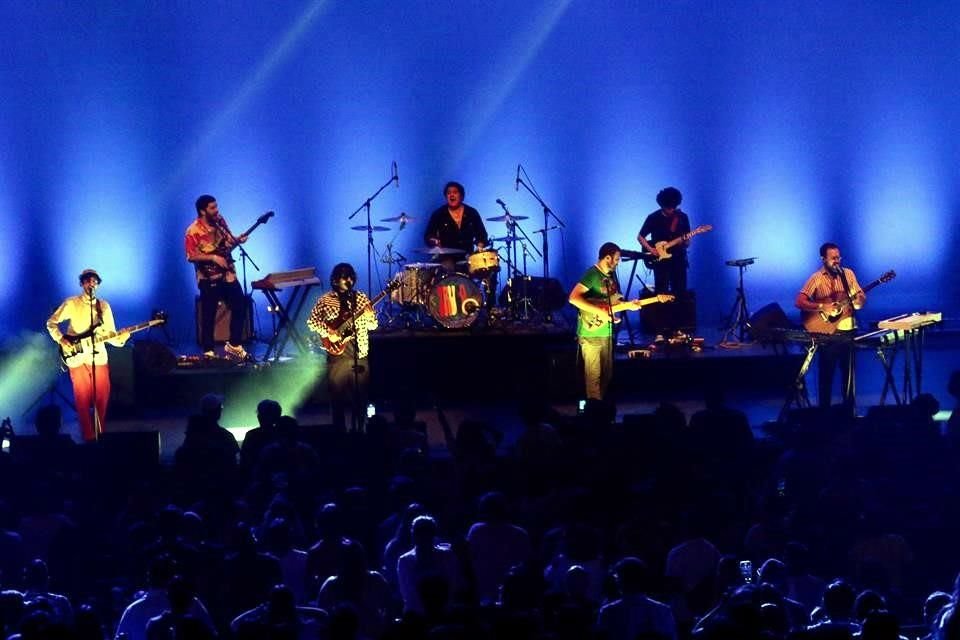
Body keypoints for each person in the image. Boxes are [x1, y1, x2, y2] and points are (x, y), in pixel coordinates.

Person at [46, 268, 129, 442]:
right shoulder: (71, 303)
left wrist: (121, 339)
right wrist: (62, 340)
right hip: (76, 356)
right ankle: (88, 436)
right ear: (82, 283)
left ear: (97, 284)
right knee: (82, 397)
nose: (91, 283)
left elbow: (111, 335)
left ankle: (100, 433)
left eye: (94, 281)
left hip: (98, 356)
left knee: (103, 394)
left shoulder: (103, 306)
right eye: (87, 280)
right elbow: (51, 323)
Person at [307, 263, 379, 432]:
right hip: (336, 356)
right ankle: (339, 431)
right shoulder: (325, 300)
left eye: (351, 276)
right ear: (335, 280)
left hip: (359, 353)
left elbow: (373, 326)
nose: (349, 280)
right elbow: (312, 321)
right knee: (337, 398)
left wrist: (369, 317)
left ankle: (361, 430)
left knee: (361, 397)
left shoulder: (361, 298)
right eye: (344, 276)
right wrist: (329, 332)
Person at [795, 242, 866, 410]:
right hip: (827, 334)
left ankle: (849, 412)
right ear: (823, 259)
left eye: (838, 257)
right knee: (826, 375)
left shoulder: (848, 274)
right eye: (833, 258)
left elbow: (860, 299)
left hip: (848, 332)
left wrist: (859, 301)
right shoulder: (816, 278)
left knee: (849, 376)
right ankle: (824, 413)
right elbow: (799, 301)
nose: (837, 261)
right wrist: (822, 306)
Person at [185, 194, 250, 360]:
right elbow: (191, 256)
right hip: (208, 278)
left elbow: (227, 245)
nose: (216, 210)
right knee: (209, 313)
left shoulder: (220, 221)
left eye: (216, 207)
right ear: (202, 211)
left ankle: (234, 344)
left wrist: (238, 241)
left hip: (228, 273)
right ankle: (208, 350)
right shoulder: (193, 231)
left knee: (240, 305)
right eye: (212, 208)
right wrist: (213, 258)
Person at [423, 181, 496, 308]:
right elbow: (427, 236)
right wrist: (434, 241)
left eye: (455, 192)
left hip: (468, 256)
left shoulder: (472, 213)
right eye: (448, 193)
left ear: (461, 196)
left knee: (490, 271)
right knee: (448, 271)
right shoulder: (438, 214)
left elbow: (482, 235)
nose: (451, 195)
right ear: (446, 196)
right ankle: (452, 308)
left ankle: (488, 309)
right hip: (446, 257)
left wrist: (480, 244)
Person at [567, 242, 624, 401]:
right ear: (608, 258)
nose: (618, 262)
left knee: (607, 375)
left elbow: (609, 303)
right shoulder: (592, 274)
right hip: (591, 334)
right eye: (617, 259)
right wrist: (601, 312)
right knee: (594, 378)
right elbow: (573, 298)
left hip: (606, 332)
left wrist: (628, 305)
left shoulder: (610, 278)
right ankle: (595, 416)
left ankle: (599, 409)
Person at [637, 186, 692, 294]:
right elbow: (640, 237)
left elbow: (688, 241)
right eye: (668, 208)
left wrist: (685, 243)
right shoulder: (653, 218)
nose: (671, 210)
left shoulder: (682, 217)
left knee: (680, 293)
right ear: (662, 205)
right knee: (661, 294)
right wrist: (651, 249)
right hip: (661, 262)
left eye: (673, 207)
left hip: (678, 260)